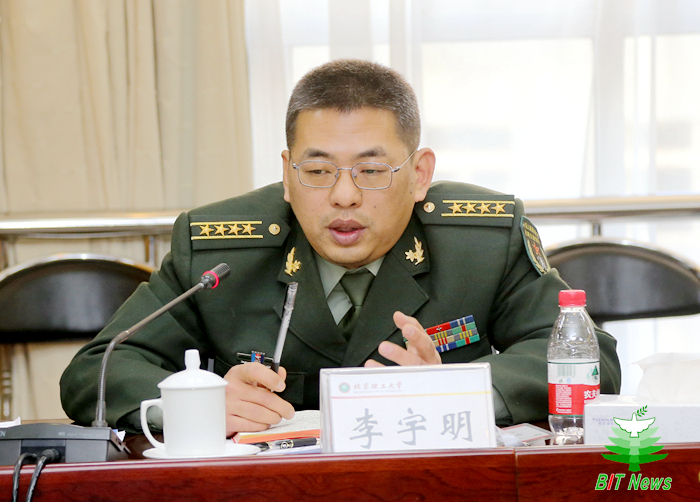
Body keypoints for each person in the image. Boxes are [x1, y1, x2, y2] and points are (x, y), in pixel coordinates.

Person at [60, 59, 621, 435]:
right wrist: (197, 404)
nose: (344, 196)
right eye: (317, 170)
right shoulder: (218, 248)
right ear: (287, 172)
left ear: (419, 174)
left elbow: (591, 359)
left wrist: (460, 390)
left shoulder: (480, 241)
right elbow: (96, 371)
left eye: (372, 171)